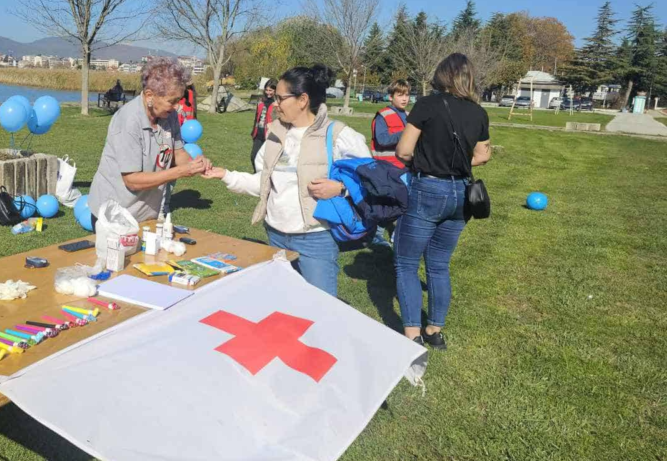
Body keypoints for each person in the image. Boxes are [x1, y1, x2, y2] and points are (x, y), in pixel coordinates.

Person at [203, 65, 370, 297]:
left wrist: (341, 188)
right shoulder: (275, 136)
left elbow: (371, 181)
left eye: (281, 98)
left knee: (319, 306)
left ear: (302, 100)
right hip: (275, 235)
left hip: (316, 238)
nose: (275, 104)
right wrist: (225, 175)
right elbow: (263, 184)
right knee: (282, 302)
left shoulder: (339, 135)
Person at [393, 53, 492, 349]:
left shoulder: (427, 105)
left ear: (441, 75)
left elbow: (403, 151)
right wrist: (457, 162)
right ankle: (435, 331)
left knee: (406, 263)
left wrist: (428, 159)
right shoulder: (479, 112)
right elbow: (483, 155)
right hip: (461, 193)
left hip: (428, 188)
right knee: (438, 265)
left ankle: (412, 334)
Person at [89, 57, 210, 223]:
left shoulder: (170, 115)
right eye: (172, 101)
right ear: (149, 95)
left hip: (146, 214)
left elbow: (178, 153)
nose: (177, 106)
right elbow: (132, 180)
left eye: (179, 100)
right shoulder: (129, 120)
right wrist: (180, 172)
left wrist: (196, 165)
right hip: (114, 215)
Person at [369, 79, 410, 246]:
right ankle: (376, 235)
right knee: (384, 202)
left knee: (405, 201)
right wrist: (406, 133)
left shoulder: (409, 115)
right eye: (400, 95)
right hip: (385, 167)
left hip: (405, 166)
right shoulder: (383, 115)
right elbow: (382, 139)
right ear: (391, 97)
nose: (405, 98)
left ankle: (398, 233)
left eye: (407, 95)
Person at [250, 79, 277, 172]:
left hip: (270, 136)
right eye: (266, 90)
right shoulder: (260, 101)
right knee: (253, 156)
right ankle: (257, 174)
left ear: (275, 90)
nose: (268, 92)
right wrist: (253, 132)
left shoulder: (277, 104)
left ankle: (266, 176)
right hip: (258, 135)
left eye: (270, 90)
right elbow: (256, 117)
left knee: (268, 160)